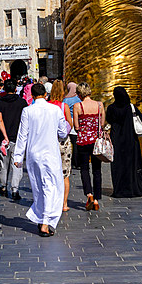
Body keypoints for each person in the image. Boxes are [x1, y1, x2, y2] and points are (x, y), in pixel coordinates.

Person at [13, 82, 71, 236]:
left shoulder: (27, 111)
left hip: (34, 154)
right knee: (52, 186)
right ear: (46, 94)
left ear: (32, 95)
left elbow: (22, 135)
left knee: (39, 187)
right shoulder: (55, 110)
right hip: (50, 153)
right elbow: (63, 133)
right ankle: (46, 221)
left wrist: (18, 156)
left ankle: (42, 218)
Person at [106, 86, 142, 198]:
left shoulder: (111, 108)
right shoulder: (130, 108)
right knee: (131, 164)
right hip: (130, 139)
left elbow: (109, 120)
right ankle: (133, 186)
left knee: (118, 164)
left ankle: (120, 188)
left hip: (117, 139)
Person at [72, 83, 106, 211]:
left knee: (84, 169)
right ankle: (97, 200)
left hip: (83, 141)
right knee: (97, 170)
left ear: (80, 94)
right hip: (96, 142)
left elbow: (76, 126)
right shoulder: (99, 105)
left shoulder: (77, 106)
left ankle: (89, 194)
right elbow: (102, 124)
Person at [0, 78, 25, 201]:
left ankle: (3, 186)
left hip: (4, 138)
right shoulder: (22, 102)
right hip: (18, 137)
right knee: (17, 163)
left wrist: (5, 136)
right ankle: (15, 189)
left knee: (3, 163)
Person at [48, 79, 73, 213]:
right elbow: (70, 123)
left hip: (50, 141)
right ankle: (64, 203)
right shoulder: (64, 107)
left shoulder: (47, 105)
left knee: (51, 173)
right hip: (63, 142)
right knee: (65, 173)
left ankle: (52, 202)